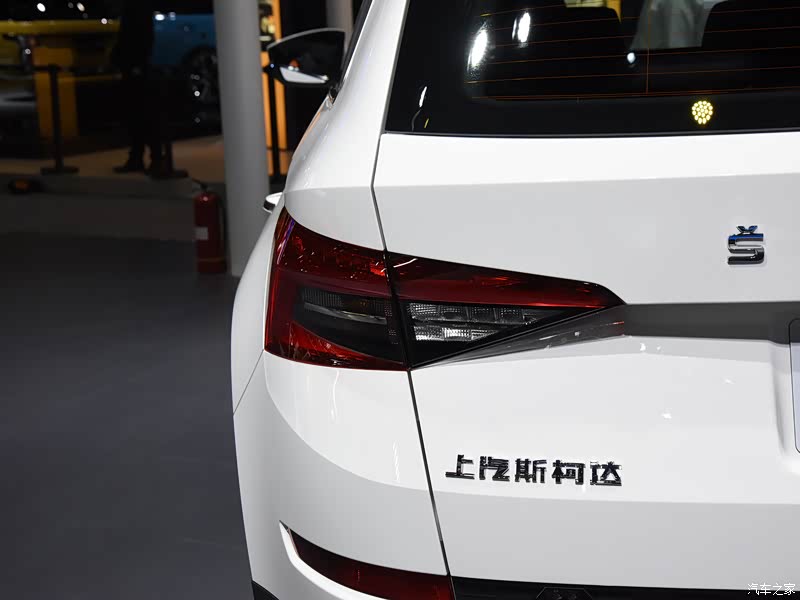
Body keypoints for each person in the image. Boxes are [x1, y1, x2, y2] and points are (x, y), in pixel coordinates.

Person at [111, 0, 163, 175]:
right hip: (133, 64)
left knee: (142, 113)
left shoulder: (136, 7)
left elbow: (139, 36)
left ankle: (150, 157)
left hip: (135, 65)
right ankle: (143, 156)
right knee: (137, 114)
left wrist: (134, 62)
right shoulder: (136, 7)